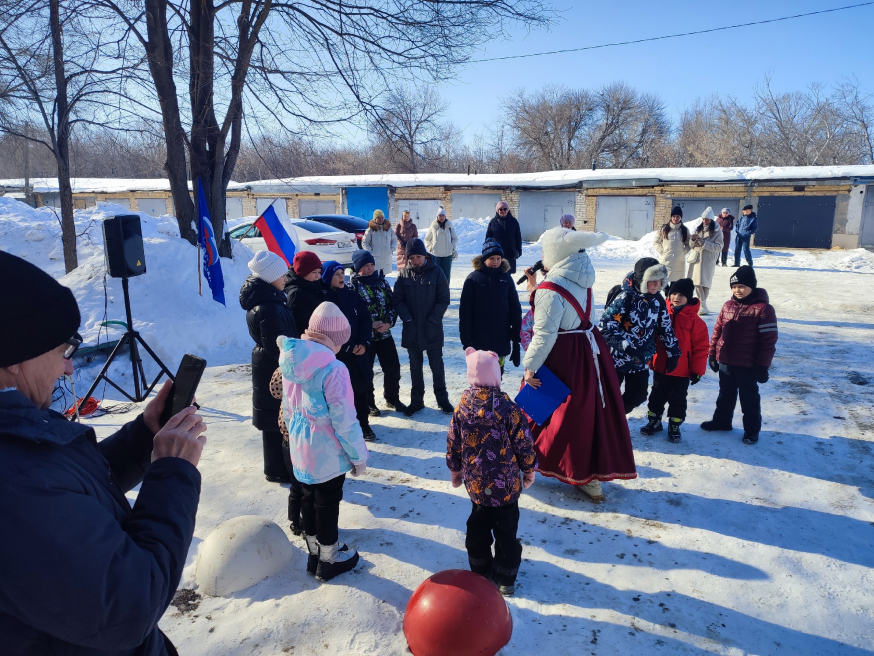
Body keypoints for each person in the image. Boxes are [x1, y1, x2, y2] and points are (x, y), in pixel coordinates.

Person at [0, 251, 206, 656]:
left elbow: (60, 488)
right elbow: (128, 606)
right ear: (15, 355)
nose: (68, 370)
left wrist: (143, 438)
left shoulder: (18, 446)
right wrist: (173, 474)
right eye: (63, 352)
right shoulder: (13, 484)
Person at [522, 228, 637, 503]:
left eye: (544, 250)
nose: (541, 255)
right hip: (589, 351)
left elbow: (546, 333)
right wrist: (535, 289)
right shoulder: (582, 277)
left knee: (545, 409)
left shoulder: (550, 289)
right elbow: (569, 314)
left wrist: (530, 367)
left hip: (562, 354)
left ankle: (524, 458)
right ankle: (592, 478)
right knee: (587, 412)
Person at [278, 302, 368, 581]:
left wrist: (294, 440)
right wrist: (359, 455)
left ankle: (314, 552)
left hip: (301, 447)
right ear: (335, 338)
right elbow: (344, 419)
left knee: (308, 496)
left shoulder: (291, 360)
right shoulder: (334, 368)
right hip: (327, 452)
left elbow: (288, 407)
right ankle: (329, 559)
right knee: (327, 501)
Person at [447, 348, 537, 597]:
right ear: (496, 375)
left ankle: (480, 569)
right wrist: (529, 470)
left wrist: (455, 470)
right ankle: (506, 577)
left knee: (477, 527)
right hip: (506, 487)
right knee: (506, 532)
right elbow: (524, 444)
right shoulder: (509, 408)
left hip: (476, 486)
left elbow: (453, 443)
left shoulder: (462, 407)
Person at [240, 251, 300, 489]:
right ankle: (277, 469)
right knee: (274, 417)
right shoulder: (267, 308)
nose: (285, 278)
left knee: (276, 416)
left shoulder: (271, 301)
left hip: (269, 364)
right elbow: (277, 346)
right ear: (269, 277)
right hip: (271, 367)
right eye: (281, 275)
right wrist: (292, 362)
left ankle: (279, 466)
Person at [701, 266, 777, 444]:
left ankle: (751, 430)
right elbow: (717, 330)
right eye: (734, 287)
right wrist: (712, 355)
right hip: (726, 360)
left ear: (752, 286)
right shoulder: (728, 305)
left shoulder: (764, 309)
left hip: (748, 364)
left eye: (742, 286)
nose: (737, 290)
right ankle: (722, 421)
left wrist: (762, 366)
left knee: (749, 398)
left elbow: (769, 340)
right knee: (725, 394)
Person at [600, 257, 681, 415]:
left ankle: (613, 418)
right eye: (652, 280)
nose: (657, 285)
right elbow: (605, 327)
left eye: (660, 280)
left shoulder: (658, 300)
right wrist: (627, 347)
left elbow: (664, 327)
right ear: (641, 280)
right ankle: (607, 426)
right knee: (608, 396)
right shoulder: (624, 298)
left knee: (638, 396)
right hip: (616, 360)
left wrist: (674, 353)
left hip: (640, 359)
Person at [642, 278, 709, 442]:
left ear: (688, 297)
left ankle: (675, 425)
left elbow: (700, 348)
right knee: (656, 396)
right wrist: (650, 358)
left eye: (681, 294)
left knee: (678, 399)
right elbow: (652, 339)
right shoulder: (661, 314)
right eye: (673, 293)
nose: (676, 297)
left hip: (682, 371)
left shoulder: (696, 322)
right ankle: (654, 421)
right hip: (661, 366)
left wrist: (697, 370)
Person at [392, 238, 453, 416]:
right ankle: (416, 401)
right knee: (415, 366)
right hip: (412, 329)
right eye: (411, 258)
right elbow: (397, 299)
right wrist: (407, 319)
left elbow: (444, 298)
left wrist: (434, 318)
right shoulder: (404, 274)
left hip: (432, 328)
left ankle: (442, 399)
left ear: (425, 255)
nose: (415, 261)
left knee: (437, 365)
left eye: (418, 256)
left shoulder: (437, 272)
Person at [322, 260, 376, 441]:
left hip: (359, 352)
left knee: (361, 390)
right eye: (336, 274)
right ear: (327, 277)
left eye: (342, 273)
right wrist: (348, 346)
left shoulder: (352, 295)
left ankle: (364, 425)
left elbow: (364, 319)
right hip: (339, 355)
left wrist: (364, 343)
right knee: (342, 394)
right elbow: (326, 328)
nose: (341, 277)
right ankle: (344, 429)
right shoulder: (325, 299)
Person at [351, 250, 406, 415]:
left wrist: (389, 323)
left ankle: (392, 398)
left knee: (393, 368)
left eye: (371, 265)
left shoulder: (381, 283)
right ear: (358, 267)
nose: (369, 268)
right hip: (366, 338)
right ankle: (369, 403)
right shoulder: (353, 287)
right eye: (365, 265)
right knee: (366, 371)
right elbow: (353, 314)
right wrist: (370, 325)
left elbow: (392, 304)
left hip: (385, 336)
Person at [459, 238, 522, 374]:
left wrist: (516, 341)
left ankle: (496, 396)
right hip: (479, 340)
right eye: (492, 258)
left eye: (498, 258)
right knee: (480, 378)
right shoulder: (473, 279)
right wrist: (467, 343)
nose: (495, 262)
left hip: (501, 339)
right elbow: (465, 313)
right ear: (483, 259)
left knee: (497, 377)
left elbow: (515, 310)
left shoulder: (506, 279)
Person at [686, 207, 724, 315]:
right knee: (696, 282)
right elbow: (691, 246)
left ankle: (704, 303)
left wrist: (705, 244)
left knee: (705, 282)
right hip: (697, 258)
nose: (704, 221)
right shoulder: (698, 229)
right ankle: (701, 303)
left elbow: (719, 247)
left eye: (707, 219)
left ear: (711, 220)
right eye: (703, 219)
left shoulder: (717, 231)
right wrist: (693, 240)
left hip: (708, 259)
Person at [285, 250, 329, 334]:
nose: (318, 276)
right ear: (302, 272)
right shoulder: (297, 294)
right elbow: (300, 325)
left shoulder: (315, 285)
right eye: (314, 272)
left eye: (319, 272)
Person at [653, 206, 690, 282]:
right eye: (674, 216)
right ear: (671, 217)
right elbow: (656, 242)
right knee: (663, 283)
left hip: (678, 262)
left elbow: (688, 244)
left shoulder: (684, 230)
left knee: (675, 286)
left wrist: (683, 252)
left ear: (681, 218)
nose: (675, 218)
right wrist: (662, 251)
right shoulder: (664, 229)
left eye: (678, 216)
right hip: (665, 260)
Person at [486, 200, 523, 274]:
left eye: (505, 209)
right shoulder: (493, 222)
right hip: (496, 253)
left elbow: (518, 237)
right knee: (496, 273)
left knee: (508, 274)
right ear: (497, 210)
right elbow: (488, 238)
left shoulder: (513, 221)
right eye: (501, 209)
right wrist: (488, 251)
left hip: (510, 253)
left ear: (508, 210)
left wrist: (518, 251)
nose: (503, 211)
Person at [424, 207, 458, 282]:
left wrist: (452, 247)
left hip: (447, 255)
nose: (441, 217)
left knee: (446, 275)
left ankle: (445, 291)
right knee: (436, 275)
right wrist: (430, 247)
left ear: (445, 216)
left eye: (443, 215)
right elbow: (427, 239)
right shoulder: (433, 226)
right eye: (440, 216)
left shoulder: (449, 226)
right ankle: (436, 292)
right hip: (436, 255)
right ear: (437, 217)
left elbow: (455, 238)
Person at [363, 209, 397, 275]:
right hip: (375, 259)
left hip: (386, 259)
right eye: (379, 218)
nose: (381, 219)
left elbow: (394, 240)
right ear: (375, 219)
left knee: (383, 278)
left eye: (382, 217)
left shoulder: (388, 229)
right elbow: (365, 242)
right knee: (374, 278)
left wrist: (391, 249)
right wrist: (371, 252)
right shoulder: (370, 230)